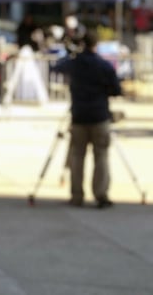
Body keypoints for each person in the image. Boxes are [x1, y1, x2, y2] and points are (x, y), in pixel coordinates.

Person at [52, 30, 122, 208]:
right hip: (99, 116)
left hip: (79, 115)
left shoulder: (75, 63)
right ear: (96, 44)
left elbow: (57, 67)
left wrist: (71, 53)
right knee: (101, 157)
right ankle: (101, 195)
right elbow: (116, 89)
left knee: (77, 157)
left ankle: (77, 196)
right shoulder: (103, 65)